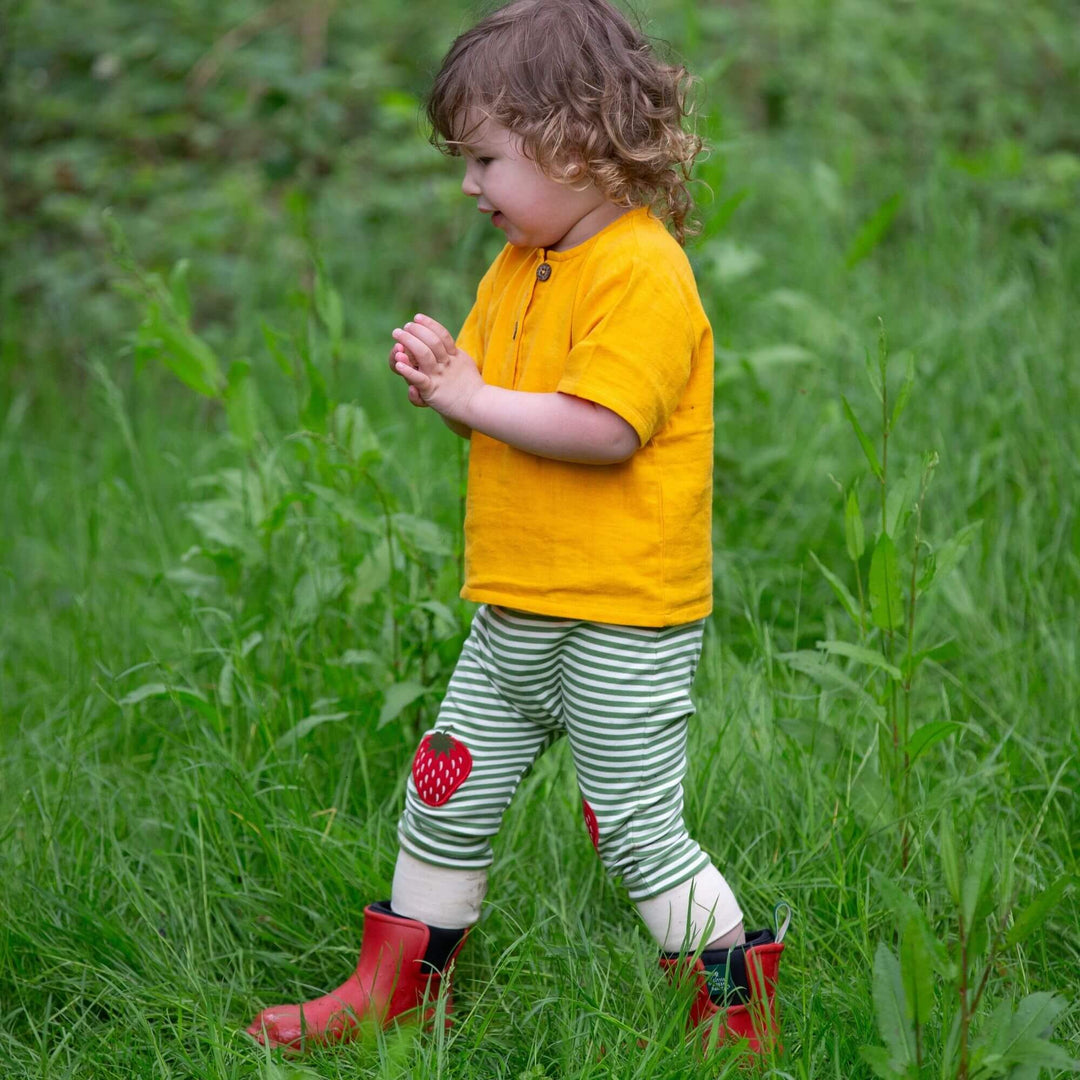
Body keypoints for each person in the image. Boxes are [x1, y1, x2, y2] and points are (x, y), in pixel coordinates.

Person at [247, 0, 787, 1057]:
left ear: (577, 143)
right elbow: (500, 400)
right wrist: (453, 382)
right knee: (444, 788)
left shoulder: (641, 272)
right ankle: (398, 992)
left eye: (486, 159)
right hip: (515, 608)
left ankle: (735, 1012)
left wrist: (472, 399)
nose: (469, 187)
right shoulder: (522, 265)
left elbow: (600, 431)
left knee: (635, 830)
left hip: (619, 620)